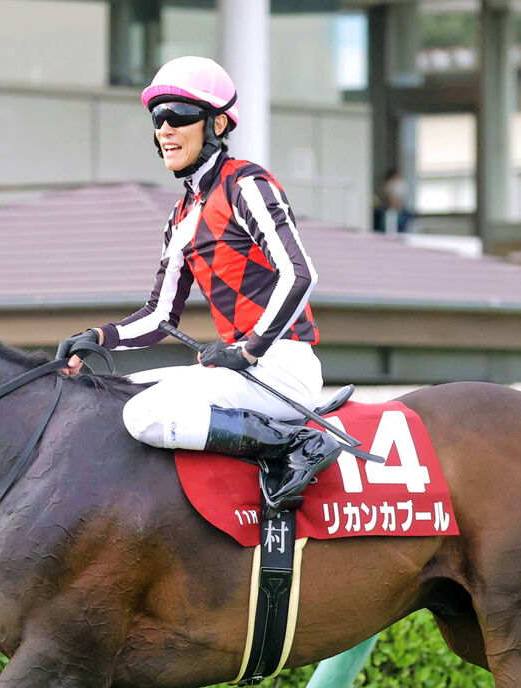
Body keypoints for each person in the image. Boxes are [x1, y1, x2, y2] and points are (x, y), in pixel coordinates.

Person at [60, 55, 340, 513]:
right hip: (238, 371)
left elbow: (300, 273)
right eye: (158, 117)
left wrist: (248, 349)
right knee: (113, 396)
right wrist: (97, 337)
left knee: (144, 414)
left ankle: (294, 447)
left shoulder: (246, 184)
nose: (165, 128)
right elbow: (158, 318)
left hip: (281, 367)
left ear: (218, 124)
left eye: (181, 115)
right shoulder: (181, 215)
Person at [372, 168, 412, 235]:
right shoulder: (377, 213)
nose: (398, 186)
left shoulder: (407, 214)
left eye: (400, 181)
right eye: (394, 181)